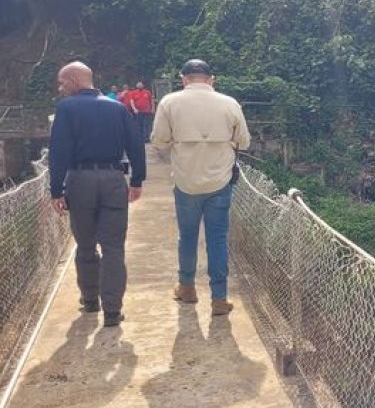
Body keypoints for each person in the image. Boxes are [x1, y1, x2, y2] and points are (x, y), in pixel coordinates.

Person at [49, 61, 146, 327]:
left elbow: (59, 151)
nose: (60, 88)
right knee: (113, 247)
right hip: (114, 179)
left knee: (85, 244)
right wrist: (137, 180)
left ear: (73, 80)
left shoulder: (66, 108)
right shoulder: (118, 108)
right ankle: (112, 311)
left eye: (62, 82)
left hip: (80, 180)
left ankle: (91, 300)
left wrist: (56, 189)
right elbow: (136, 145)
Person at [151, 59, 250, 316]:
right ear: (211, 79)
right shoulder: (229, 104)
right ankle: (219, 299)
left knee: (187, 237)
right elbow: (244, 141)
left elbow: (159, 141)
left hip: (186, 182)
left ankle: (187, 288)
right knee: (217, 239)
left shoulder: (169, 102)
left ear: (184, 78)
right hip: (219, 183)